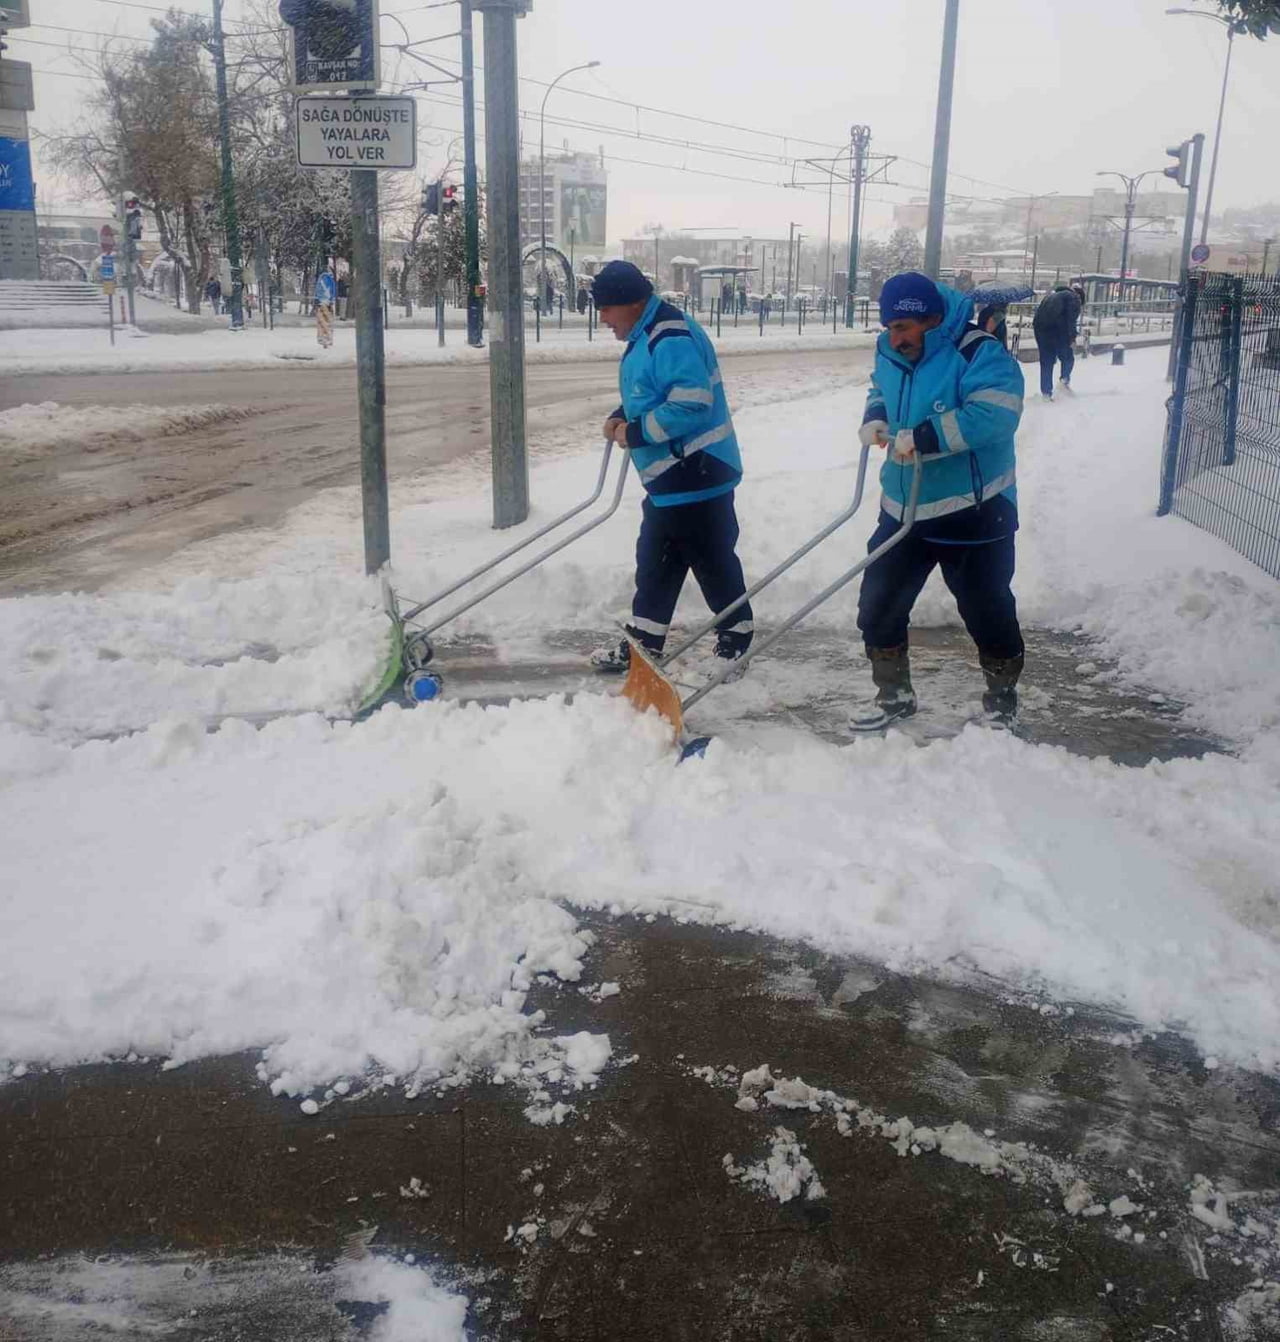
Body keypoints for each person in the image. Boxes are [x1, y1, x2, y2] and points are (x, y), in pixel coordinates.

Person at [853, 271, 1027, 731]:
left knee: (986, 609)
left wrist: (925, 436)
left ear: (932, 320)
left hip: (974, 507)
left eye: (904, 328)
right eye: (889, 326)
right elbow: (880, 388)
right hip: (904, 503)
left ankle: (1001, 697)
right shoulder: (888, 349)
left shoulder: (977, 352)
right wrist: (876, 416)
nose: (895, 337)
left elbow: (995, 415)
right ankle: (894, 696)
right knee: (878, 604)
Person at [587, 260, 753, 674]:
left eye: (606, 308)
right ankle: (647, 643)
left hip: (699, 470)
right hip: (675, 475)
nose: (603, 318)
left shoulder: (669, 335)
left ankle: (736, 639)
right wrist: (621, 414)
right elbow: (653, 391)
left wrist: (635, 432)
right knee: (660, 558)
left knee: (709, 560)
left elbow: (692, 403)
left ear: (630, 302)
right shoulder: (649, 331)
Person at [1032, 283, 1082, 400]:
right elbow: (1071, 321)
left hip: (1040, 330)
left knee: (1047, 362)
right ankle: (1064, 382)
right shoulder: (1073, 298)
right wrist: (1072, 339)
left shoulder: (1050, 297)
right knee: (1068, 357)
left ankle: (1046, 393)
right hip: (1057, 332)